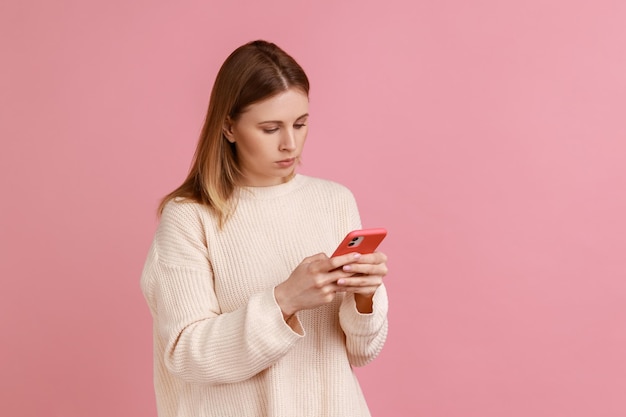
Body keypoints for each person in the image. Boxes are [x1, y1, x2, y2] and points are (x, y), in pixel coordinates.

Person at [140, 39, 389, 417]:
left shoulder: (336, 201)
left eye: (301, 124)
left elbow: (361, 351)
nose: (290, 143)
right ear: (228, 127)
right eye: (271, 128)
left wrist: (366, 298)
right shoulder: (190, 217)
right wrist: (285, 299)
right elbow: (187, 354)